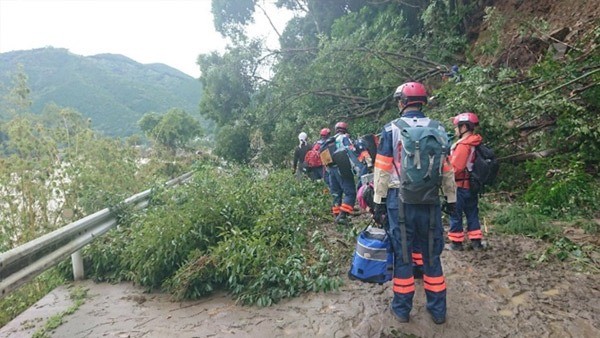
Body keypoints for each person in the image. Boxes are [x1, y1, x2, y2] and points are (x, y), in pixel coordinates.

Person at [372, 82, 456, 325]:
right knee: (431, 255)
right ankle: (438, 311)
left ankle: (401, 309)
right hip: (430, 201)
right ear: (422, 102)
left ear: (402, 102)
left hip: (400, 203)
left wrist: (379, 202)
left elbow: (382, 170)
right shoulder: (438, 128)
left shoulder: (390, 129)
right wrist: (451, 199)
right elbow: (447, 169)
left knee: (404, 256)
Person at [448, 112, 484, 251]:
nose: (455, 130)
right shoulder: (475, 141)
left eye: (457, 127)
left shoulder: (463, 145)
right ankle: (476, 242)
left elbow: (456, 168)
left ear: (464, 127)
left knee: (455, 214)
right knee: (472, 212)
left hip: (459, 186)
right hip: (471, 185)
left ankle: (456, 243)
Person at [328, 122, 359, 224]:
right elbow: (351, 151)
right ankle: (343, 216)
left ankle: (337, 215)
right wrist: (357, 168)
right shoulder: (344, 138)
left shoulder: (330, 140)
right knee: (350, 192)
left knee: (336, 193)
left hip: (331, 170)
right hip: (342, 168)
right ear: (345, 129)